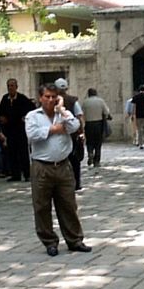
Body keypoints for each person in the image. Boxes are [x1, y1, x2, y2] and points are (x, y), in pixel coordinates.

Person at [25, 83, 91, 257]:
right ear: (41, 98)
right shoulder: (32, 116)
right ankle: (49, 241)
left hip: (63, 166)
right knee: (42, 206)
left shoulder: (62, 115)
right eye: (47, 96)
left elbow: (75, 126)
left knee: (68, 204)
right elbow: (33, 135)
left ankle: (75, 240)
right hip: (41, 167)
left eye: (54, 96)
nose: (50, 100)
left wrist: (62, 110)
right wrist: (54, 129)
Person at [0, 78, 34, 182]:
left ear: (16, 87)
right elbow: (0, 111)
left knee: (23, 152)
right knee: (12, 152)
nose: (10, 88)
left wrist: (25, 118)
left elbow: (31, 108)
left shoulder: (22, 98)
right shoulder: (5, 99)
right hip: (10, 130)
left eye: (12, 86)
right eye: (9, 86)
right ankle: (15, 174)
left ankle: (27, 174)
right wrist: (2, 117)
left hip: (20, 129)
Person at [55, 78, 85, 190]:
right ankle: (76, 183)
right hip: (72, 133)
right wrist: (82, 133)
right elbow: (79, 117)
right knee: (74, 160)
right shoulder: (73, 101)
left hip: (58, 133)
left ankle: (62, 184)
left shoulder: (52, 101)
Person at [81, 88, 110, 167]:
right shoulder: (100, 101)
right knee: (98, 143)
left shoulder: (85, 102)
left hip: (88, 124)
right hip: (98, 123)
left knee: (89, 141)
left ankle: (90, 152)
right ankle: (96, 160)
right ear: (96, 93)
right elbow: (106, 112)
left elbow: (81, 113)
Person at [131, 85, 144, 149]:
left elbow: (134, 107)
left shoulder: (135, 97)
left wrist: (133, 114)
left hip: (138, 116)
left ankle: (141, 144)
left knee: (139, 129)